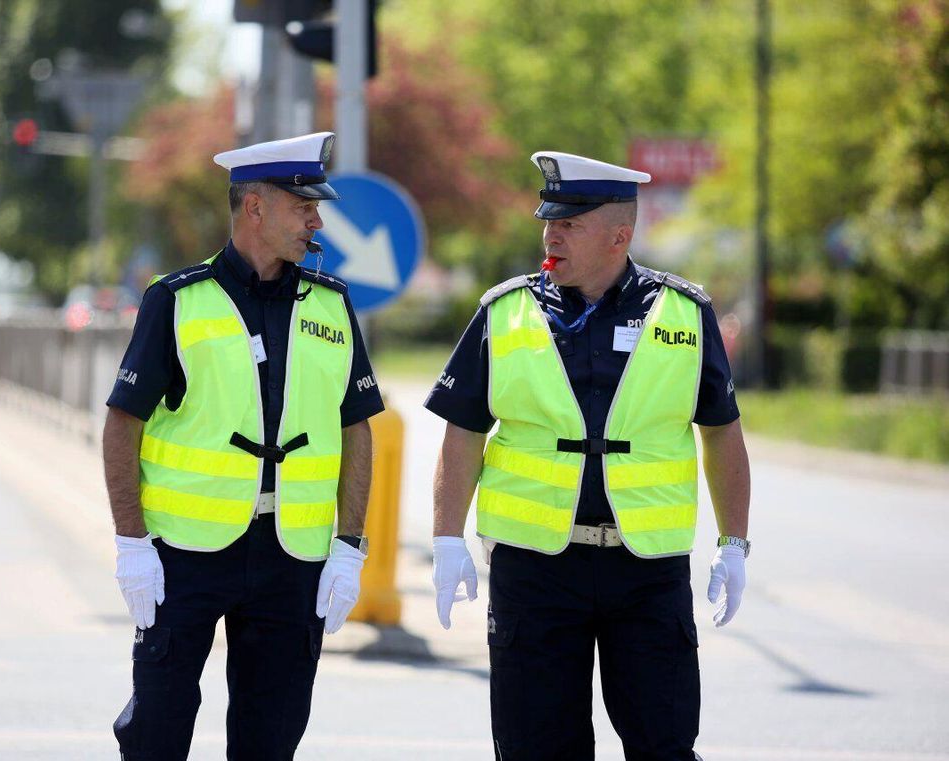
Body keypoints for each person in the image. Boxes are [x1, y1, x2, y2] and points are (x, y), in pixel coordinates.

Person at [427, 151, 751, 760]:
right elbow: (462, 431)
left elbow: (722, 433)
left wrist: (734, 544)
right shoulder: (505, 312)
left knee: (664, 745)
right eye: (549, 221)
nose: (551, 234)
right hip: (536, 569)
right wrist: (446, 538)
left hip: (646, 569)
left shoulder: (686, 312)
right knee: (537, 749)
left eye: (569, 224)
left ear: (619, 235)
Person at [103, 131, 384, 761]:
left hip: (291, 556)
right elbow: (123, 422)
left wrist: (349, 548)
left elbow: (356, 427)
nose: (317, 219)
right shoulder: (176, 300)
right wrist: (131, 543)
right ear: (254, 206)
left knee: (271, 738)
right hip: (185, 555)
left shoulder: (333, 306)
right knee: (156, 730)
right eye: (302, 205)